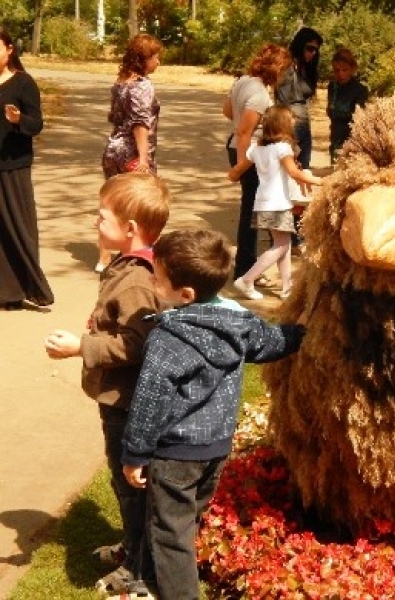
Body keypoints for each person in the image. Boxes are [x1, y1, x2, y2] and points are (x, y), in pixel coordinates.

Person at [120, 228, 306, 600]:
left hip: (175, 452)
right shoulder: (238, 323)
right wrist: (301, 333)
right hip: (216, 447)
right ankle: (164, 573)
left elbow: (149, 402)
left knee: (168, 530)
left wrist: (135, 455)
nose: (151, 282)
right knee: (187, 517)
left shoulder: (168, 340)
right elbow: (270, 343)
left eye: (156, 277)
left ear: (184, 294)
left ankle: (178, 591)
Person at [44, 173, 171, 598]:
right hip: (118, 398)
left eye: (101, 217)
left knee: (131, 483)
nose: (94, 223)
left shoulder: (135, 278)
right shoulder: (128, 267)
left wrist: (83, 346)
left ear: (130, 228)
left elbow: (139, 343)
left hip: (127, 400)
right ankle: (133, 546)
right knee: (125, 481)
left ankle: (140, 570)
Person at [228, 105, 323, 301]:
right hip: (278, 203)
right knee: (280, 246)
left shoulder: (257, 149)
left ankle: (287, 287)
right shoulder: (283, 148)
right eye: (291, 120)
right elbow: (294, 172)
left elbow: (240, 167)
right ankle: (247, 279)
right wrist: (322, 181)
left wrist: (233, 174)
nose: (294, 122)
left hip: (262, 203)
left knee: (284, 244)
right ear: (283, 125)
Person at [223, 43, 293, 281]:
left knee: (252, 211)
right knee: (252, 213)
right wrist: (243, 164)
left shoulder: (242, 81)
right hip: (249, 154)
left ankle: (250, 265)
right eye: (283, 70)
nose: (283, 76)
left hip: (241, 149)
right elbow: (244, 132)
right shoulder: (260, 94)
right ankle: (245, 268)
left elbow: (227, 110)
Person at [97, 33, 163, 274]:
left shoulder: (121, 82)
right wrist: (144, 158)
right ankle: (137, 260)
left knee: (111, 203)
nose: (158, 62)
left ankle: (103, 257)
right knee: (143, 207)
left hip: (113, 148)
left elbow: (115, 117)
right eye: (155, 57)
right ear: (143, 59)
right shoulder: (142, 86)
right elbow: (140, 123)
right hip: (132, 153)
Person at [0, 30, 53, 310]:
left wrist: (19, 119)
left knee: (17, 227)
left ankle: (28, 287)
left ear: (9, 50)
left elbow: (37, 124)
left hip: (13, 166)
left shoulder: (23, 83)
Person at [276, 27, 323, 252]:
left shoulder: (306, 68)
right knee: (290, 179)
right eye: (309, 48)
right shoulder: (286, 64)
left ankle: (298, 233)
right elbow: (282, 99)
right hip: (289, 127)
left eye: (316, 50)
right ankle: (288, 235)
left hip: (305, 127)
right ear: (300, 44)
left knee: (303, 179)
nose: (313, 53)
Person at [326, 47, 368, 164]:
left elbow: (359, 116)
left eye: (344, 70)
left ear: (352, 69)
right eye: (337, 70)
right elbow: (330, 110)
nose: (340, 74)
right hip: (335, 135)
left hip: (352, 137)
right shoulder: (332, 86)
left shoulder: (360, 89)